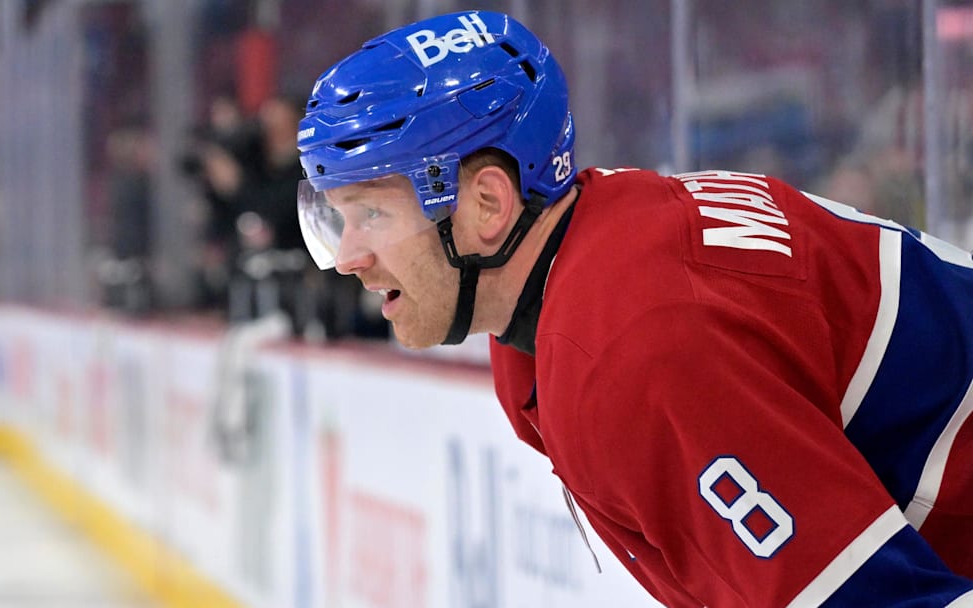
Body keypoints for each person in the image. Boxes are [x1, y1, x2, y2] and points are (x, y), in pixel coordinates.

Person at [295, 11, 973, 608]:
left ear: (488, 205)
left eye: (373, 213)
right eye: (338, 219)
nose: (349, 255)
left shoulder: (637, 350)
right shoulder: (590, 263)